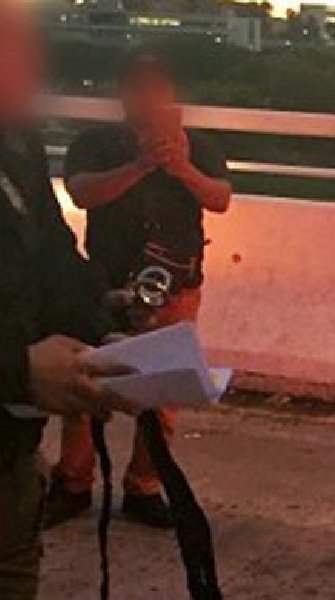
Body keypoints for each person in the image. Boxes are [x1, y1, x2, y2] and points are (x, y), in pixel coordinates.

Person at [47, 52, 232, 531]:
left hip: (175, 284)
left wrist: (181, 167)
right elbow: (82, 192)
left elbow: (220, 199)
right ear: (123, 94)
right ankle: (72, 482)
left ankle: (145, 486)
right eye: (138, 87)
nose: (148, 97)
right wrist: (140, 165)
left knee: (163, 389)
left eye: (157, 88)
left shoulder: (199, 145)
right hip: (103, 282)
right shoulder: (94, 143)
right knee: (87, 385)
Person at [0, 1, 136, 597]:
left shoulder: (17, 144)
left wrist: (106, 334)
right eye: (13, 43)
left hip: (10, 463)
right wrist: (19, 369)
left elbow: (55, 258)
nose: (36, 63)